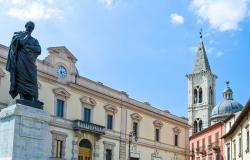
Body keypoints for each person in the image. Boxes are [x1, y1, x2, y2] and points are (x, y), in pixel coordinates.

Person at [6, 21, 43, 105]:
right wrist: (27, 36)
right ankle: (22, 97)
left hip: (30, 63)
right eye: (29, 27)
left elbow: (39, 50)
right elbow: (20, 43)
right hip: (20, 61)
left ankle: (35, 99)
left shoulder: (34, 40)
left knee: (33, 80)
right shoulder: (18, 34)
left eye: (32, 28)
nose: (30, 29)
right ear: (26, 26)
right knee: (21, 79)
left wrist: (29, 46)